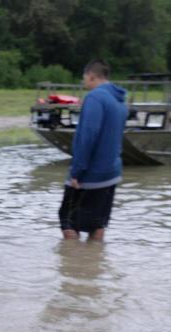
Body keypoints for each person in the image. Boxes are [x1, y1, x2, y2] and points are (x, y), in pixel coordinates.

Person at [59, 60, 128, 242]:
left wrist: (77, 171)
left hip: (90, 174)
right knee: (97, 224)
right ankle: (94, 265)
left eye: (84, 77)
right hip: (111, 173)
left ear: (91, 76)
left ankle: (73, 267)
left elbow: (88, 136)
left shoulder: (95, 98)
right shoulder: (119, 100)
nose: (83, 81)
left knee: (68, 222)